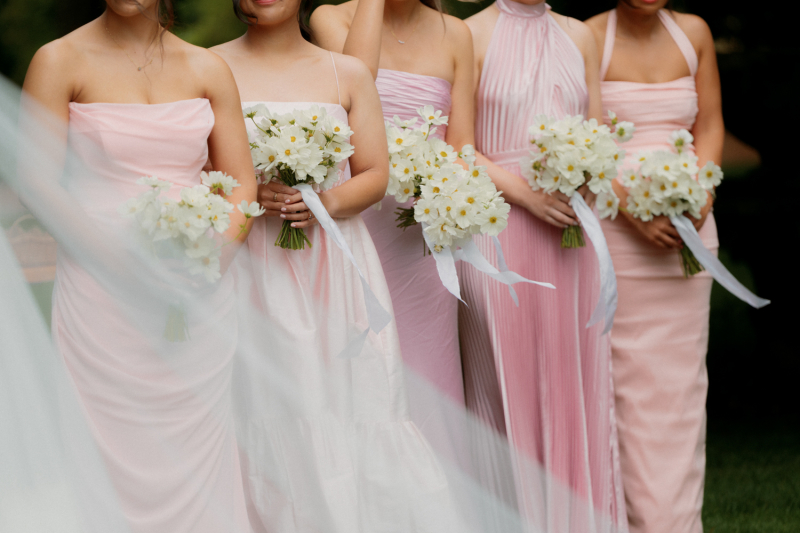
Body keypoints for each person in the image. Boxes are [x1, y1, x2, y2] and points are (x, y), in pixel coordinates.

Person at [212, 1, 458, 530]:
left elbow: (373, 172)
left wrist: (322, 203)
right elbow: (206, 168)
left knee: (351, 400)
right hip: (250, 266)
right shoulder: (209, 67)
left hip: (333, 266)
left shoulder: (344, 72)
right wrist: (251, 191)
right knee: (265, 403)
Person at [19, 0, 258, 531]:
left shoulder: (208, 68)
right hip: (102, 290)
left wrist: (210, 261)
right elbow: (37, 181)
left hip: (199, 288)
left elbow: (242, 182)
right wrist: (123, 269)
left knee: (198, 447)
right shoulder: (60, 60)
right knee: (110, 446)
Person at [460, 0, 628, 530]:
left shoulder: (579, 35)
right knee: (502, 380)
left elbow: (600, 132)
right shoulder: (467, 32)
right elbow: (459, 145)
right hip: (498, 229)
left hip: (572, 235)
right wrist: (526, 197)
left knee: (574, 381)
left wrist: (586, 175)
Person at [586, 2, 723, 531]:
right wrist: (630, 210)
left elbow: (709, 125)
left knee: (681, 387)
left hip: (689, 232)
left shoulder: (695, 33)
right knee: (623, 386)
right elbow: (591, 139)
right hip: (620, 235)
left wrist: (703, 191)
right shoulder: (590, 36)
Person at [309, 0, 475, 435]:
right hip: (359, 219)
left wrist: (450, 192)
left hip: (424, 232)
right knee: (370, 361)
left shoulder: (456, 32)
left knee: (430, 366)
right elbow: (352, 86)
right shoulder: (331, 17)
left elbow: (462, 145)